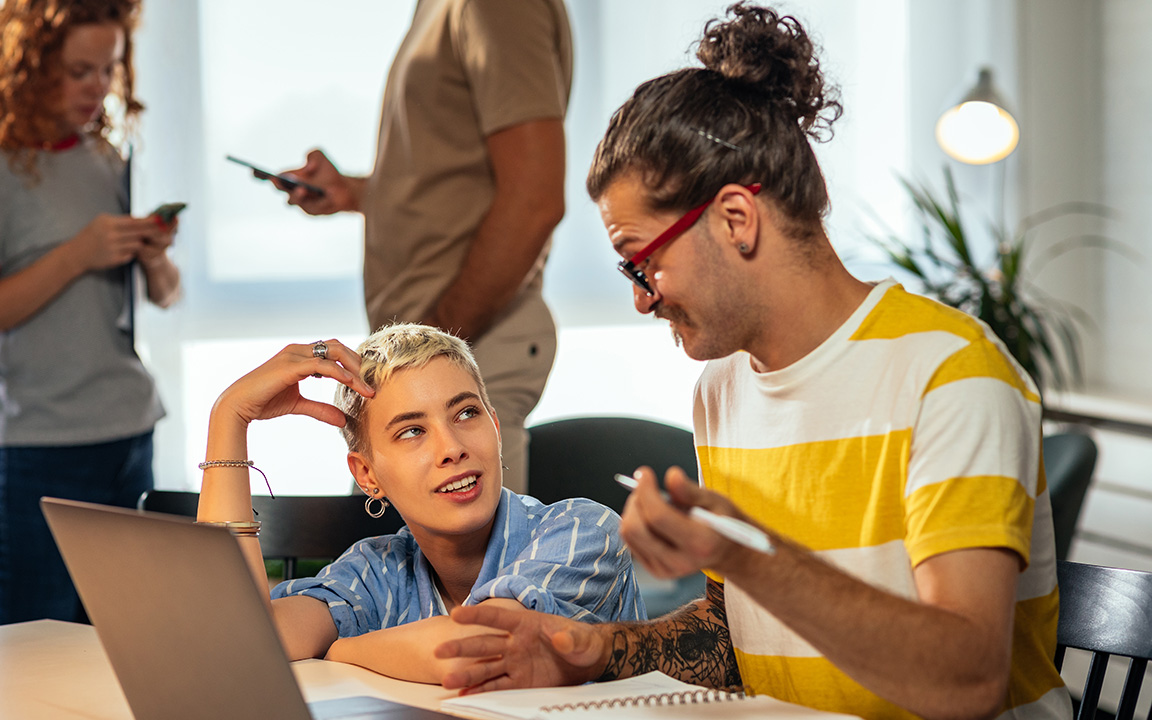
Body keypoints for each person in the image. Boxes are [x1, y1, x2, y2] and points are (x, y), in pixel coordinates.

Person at [431, 5, 1071, 718]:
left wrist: (742, 554)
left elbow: (967, 681)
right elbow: (734, 631)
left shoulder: (953, 376)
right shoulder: (722, 390)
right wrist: (597, 649)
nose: (642, 301)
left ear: (737, 219)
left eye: (642, 263)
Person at [195, 323, 645, 684]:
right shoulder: (376, 571)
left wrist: (344, 648)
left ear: (494, 426)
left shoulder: (583, 531)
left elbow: (483, 649)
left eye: (466, 413)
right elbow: (241, 643)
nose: (451, 447)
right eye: (412, 430)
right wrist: (229, 417)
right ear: (367, 475)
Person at [0, 0, 180, 626]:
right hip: (35, 457)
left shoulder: (106, 159)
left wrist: (151, 258)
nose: (97, 88)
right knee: (29, 676)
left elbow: (165, 295)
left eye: (107, 69)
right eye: (77, 71)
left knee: (127, 653)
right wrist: (77, 254)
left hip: (128, 436)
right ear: (28, 67)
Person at [274, 0, 573, 494]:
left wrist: (438, 346)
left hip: (466, 352)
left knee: (471, 571)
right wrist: (357, 192)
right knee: (390, 559)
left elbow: (535, 199)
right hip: (430, 359)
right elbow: (450, 175)